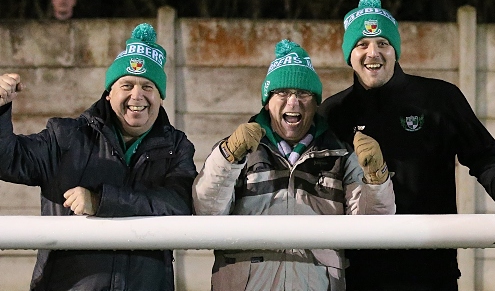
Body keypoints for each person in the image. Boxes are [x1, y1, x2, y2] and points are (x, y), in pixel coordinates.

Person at [319, 0, 495, 291]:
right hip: (359, 270)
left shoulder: (439, 98)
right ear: (349, 54)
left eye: (383, 44)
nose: (373, 53)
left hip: (430, 267)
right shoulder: (333, 113)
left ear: (395, 51)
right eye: (362, 44)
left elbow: (480, 152)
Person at [0, 23, 197, 290]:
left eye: (148, 87)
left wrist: (100, 201)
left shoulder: (178, 148)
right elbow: (8, 160)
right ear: (109, 93)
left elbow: (180, 205)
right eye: (126, 84)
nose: (136, 95)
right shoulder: (65, 137)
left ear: (160, 96)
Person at [193, 39, 396, 291]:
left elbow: (372, 228)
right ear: (267, 101)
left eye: (303, 93)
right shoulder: (237, 150)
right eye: (282, 93)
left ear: (316, 103)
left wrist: (377, 177)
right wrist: (228, 157)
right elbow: (207, 212)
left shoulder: (340, 154)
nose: (293, 102)